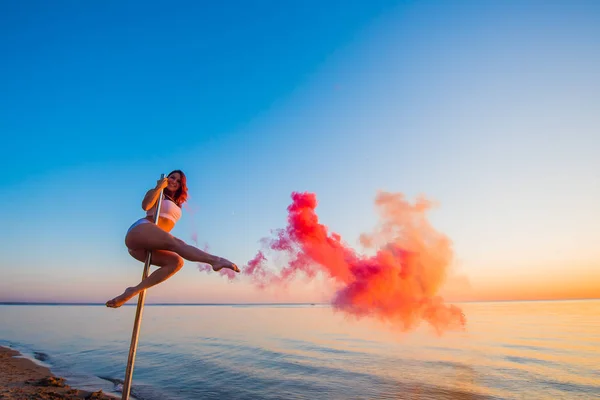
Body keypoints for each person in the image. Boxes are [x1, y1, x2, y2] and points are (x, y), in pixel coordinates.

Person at [106, 170, 239, 308]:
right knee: (177, 243)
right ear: (166, 179)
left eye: (178, 181)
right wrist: (159, 187)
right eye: (172, 177)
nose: (174, 181)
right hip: (140, 230)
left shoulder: (177, 204)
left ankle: (133, 290)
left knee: (176, 262)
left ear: (181, 185)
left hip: (148, 244)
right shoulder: (158, 193)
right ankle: (215, 260)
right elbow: (145, 206)